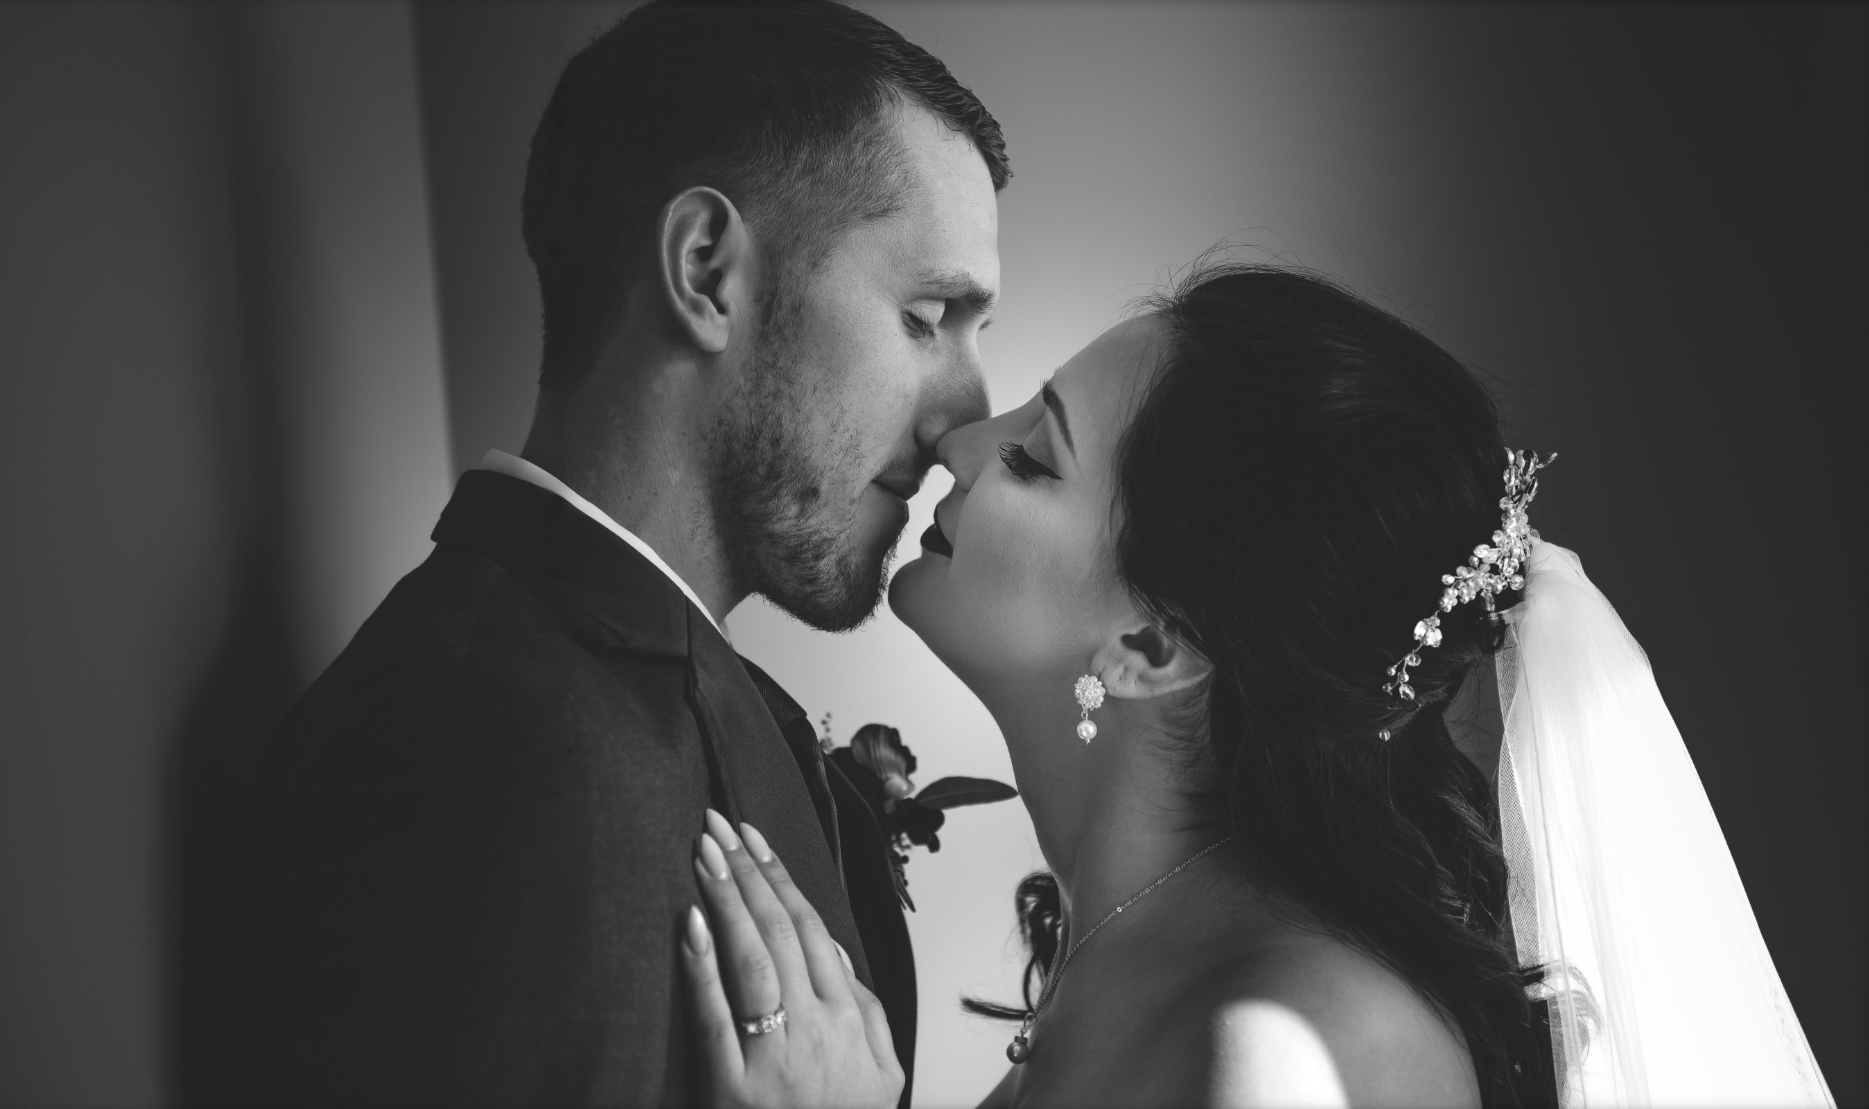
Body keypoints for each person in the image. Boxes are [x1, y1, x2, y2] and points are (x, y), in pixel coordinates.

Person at [679, 264, 1836, 1107]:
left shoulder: (1289, 1041)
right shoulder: (1138, 960)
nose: (961, 445)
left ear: (1153, 647)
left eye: (1035, 458)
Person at [243, 1, 1006, 1104]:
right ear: (705, 270)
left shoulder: (649, 692)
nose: (968, 418)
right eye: (929, 315)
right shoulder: (492, 749)